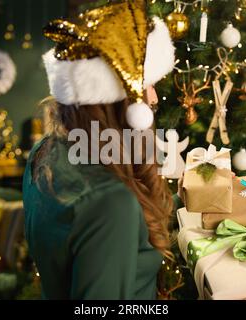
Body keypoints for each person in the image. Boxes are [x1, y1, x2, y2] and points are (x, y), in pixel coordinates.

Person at [23, 0, 177, 299]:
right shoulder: (111, 203)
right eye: (147, 84)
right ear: (120, 101)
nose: (154, 97)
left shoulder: (44, 154)